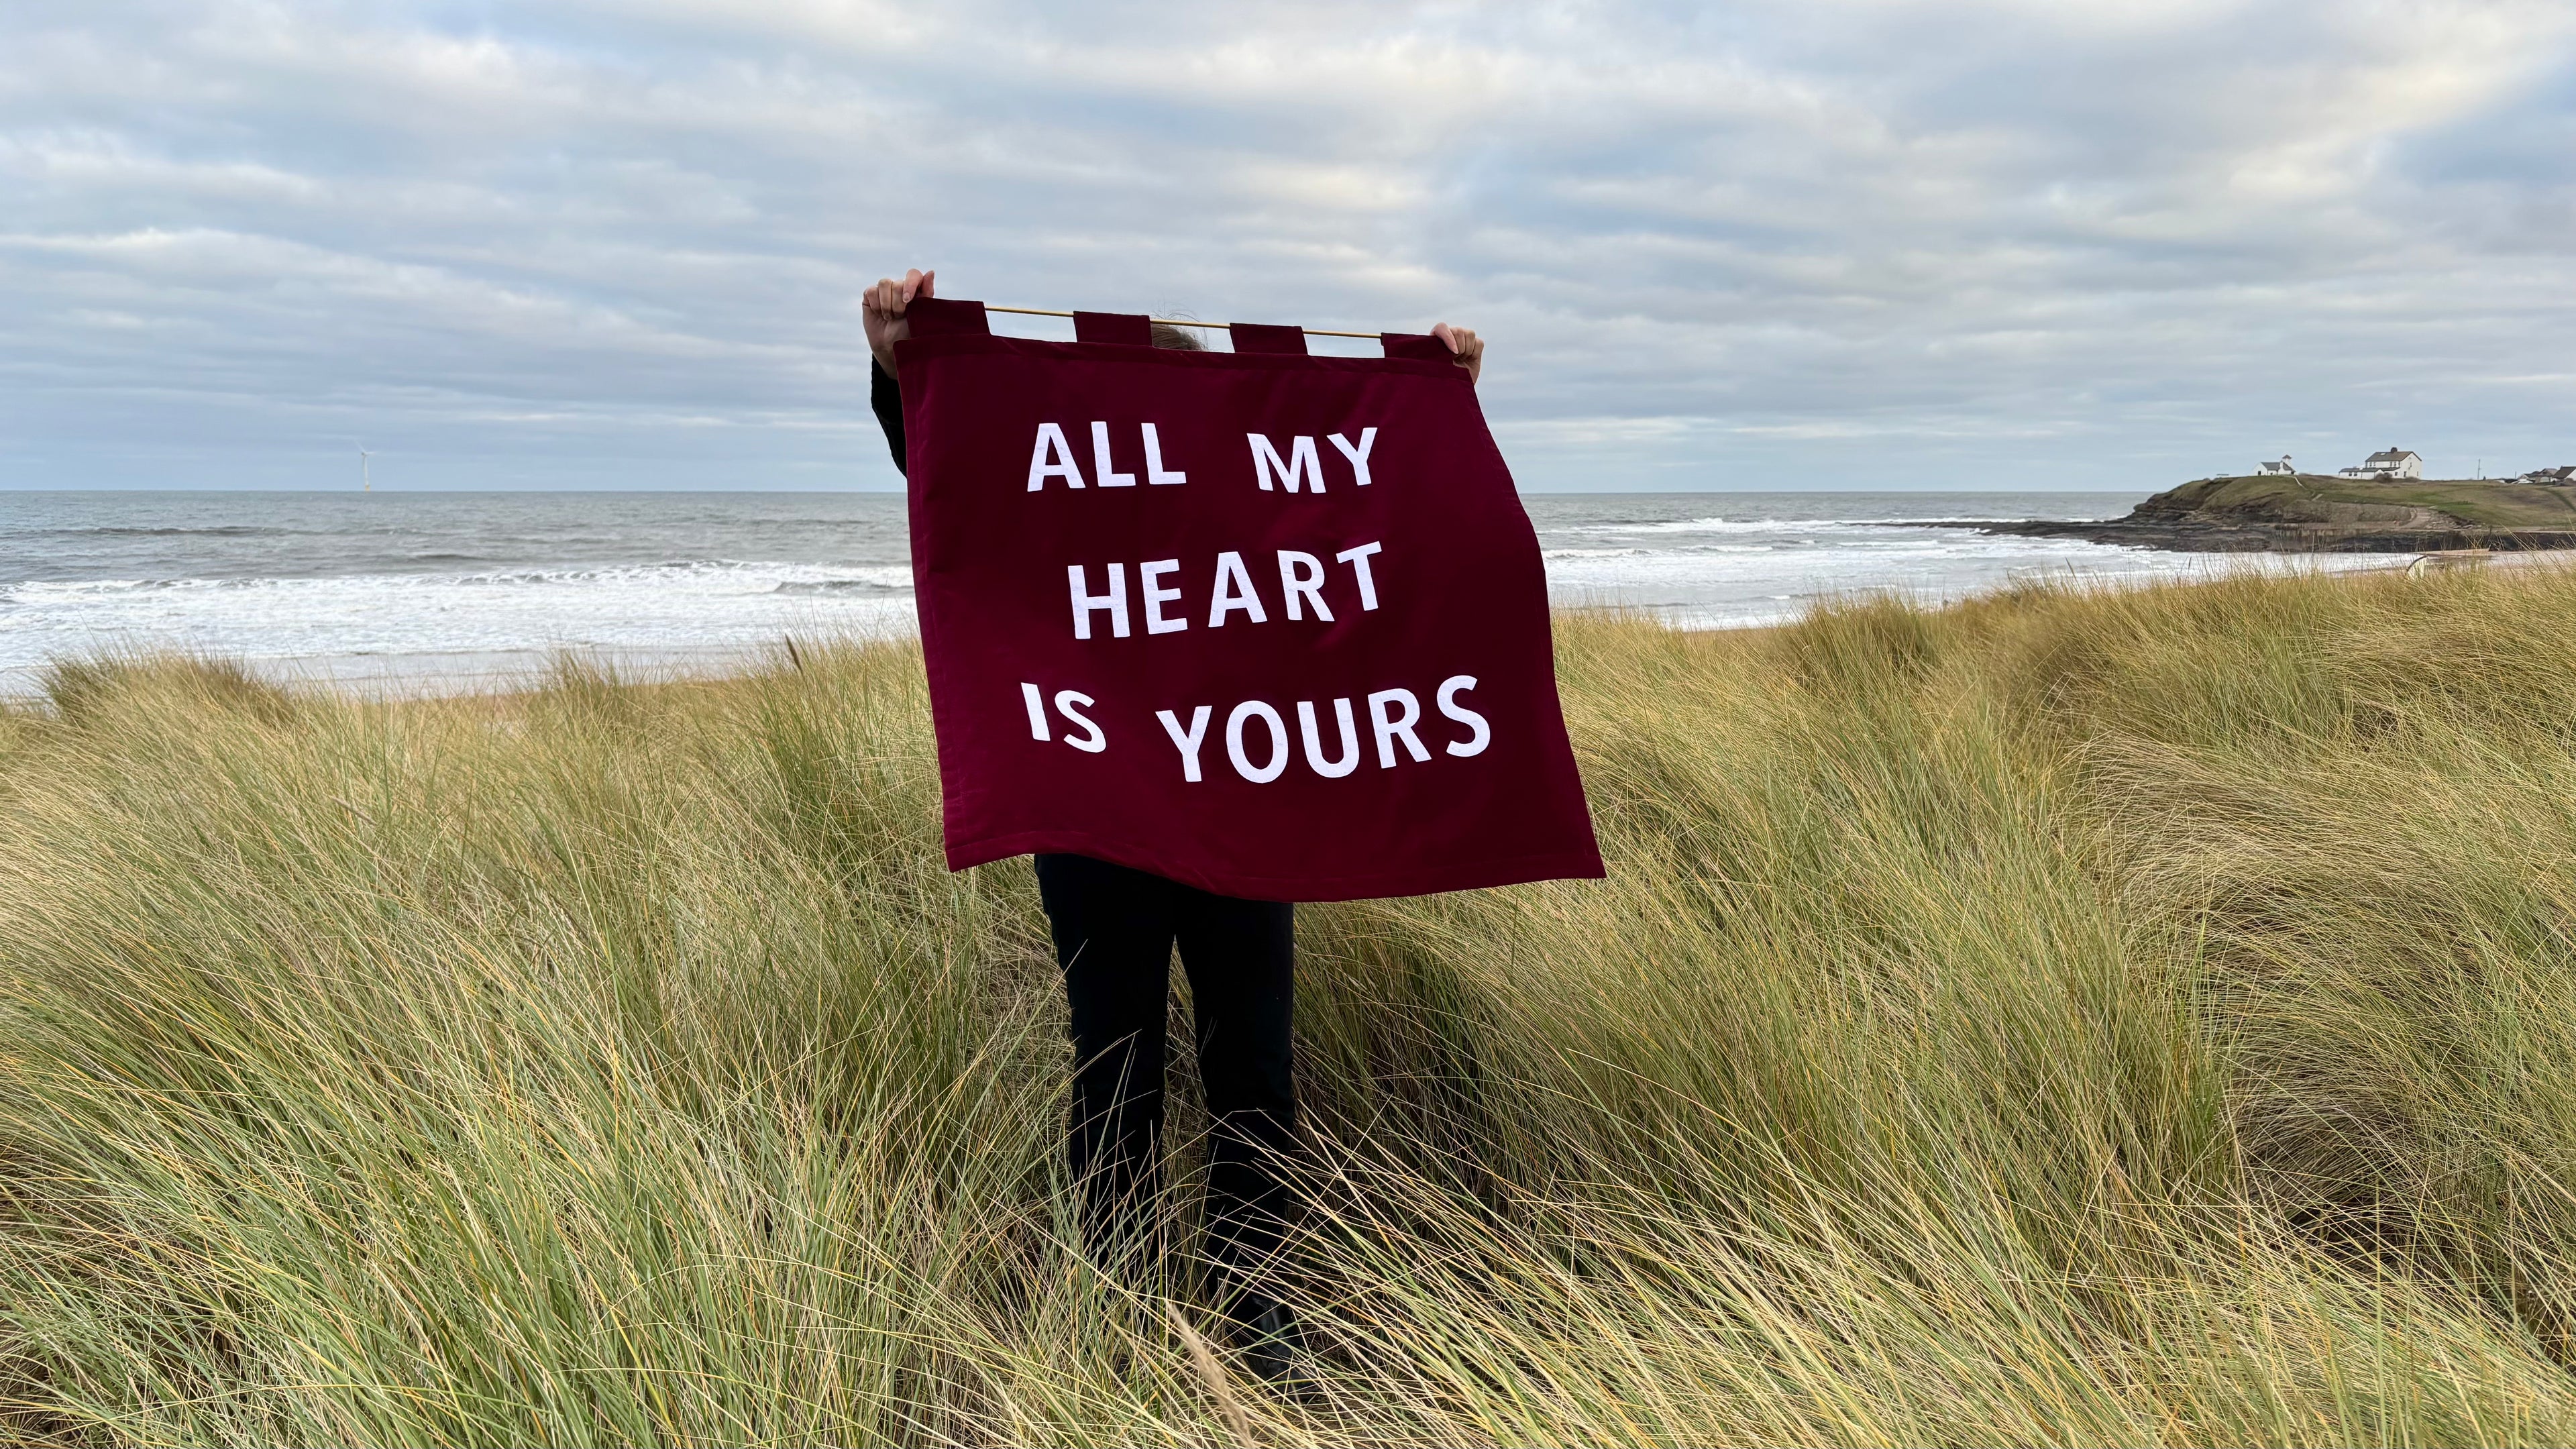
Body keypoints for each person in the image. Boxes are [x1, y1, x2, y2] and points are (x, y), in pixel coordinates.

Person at [862, 268, 1483, 1382]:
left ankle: (1257, 1309)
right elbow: (958, 477)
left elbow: (1392, 513)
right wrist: (897, 365)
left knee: (1252, 1067)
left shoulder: (1263, 509)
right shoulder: (1059, 512)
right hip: (1094, 835)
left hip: (1247, 821)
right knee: (1116, 1064)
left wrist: (1444, 396)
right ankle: (1111, 1291)